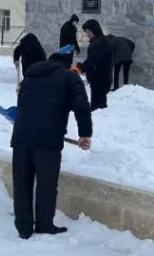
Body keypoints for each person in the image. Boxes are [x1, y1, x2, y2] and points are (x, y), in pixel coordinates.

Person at [11, 48, 92, 239]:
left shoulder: (29, 76)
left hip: (21, 137)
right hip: (48, 140)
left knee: (22, 183)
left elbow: (21, 103)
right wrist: (85, 134)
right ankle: (44, 225)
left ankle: (23, 227)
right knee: (46, 183)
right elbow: (81, 105)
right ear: (67, 62)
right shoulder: (69, 77)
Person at [72, 19, 113, 110]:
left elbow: (94, 59)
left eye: (88, 32)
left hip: (101, 80)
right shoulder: (95, 41)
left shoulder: (103, 42)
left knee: (97, 109)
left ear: (94, 30)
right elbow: (91, 59)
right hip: (96, 81)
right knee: (99, 107)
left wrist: (80, 68)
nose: (87, 34)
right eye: (86, 32)